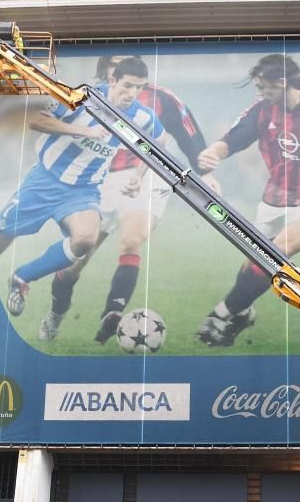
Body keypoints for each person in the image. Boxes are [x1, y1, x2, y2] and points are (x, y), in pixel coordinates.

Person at [37, 55, 220, 343]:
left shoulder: (161, 98)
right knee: (75, 262)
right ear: (109, 73)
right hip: (98, 180)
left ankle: (112, 314)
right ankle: (56, 314)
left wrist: (203, 171)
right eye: (116, 65)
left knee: (132, 238)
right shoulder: (90, 96)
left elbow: (186, 134)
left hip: (143, 176)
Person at [0, 57, 165, 318]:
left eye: (139, 88)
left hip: (82, 191)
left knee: (86, 239)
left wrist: (139, 175)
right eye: (128, 86)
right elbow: (37, 121)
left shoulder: (143, 117)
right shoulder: (81, 97)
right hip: (43, 182)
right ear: (112, 80)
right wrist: (79, 130)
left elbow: (157, 143)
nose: (132, 94)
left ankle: (22, 277)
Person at [194, 53, 300, 347]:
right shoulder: (263, 111)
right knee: (253, 267)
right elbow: (235, 138)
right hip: (274, 199)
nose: (260, 93)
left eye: (265, 87)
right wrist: (215, 152)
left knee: (276, 253)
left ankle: (220, 313)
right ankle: (243, 313)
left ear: (283, 82)